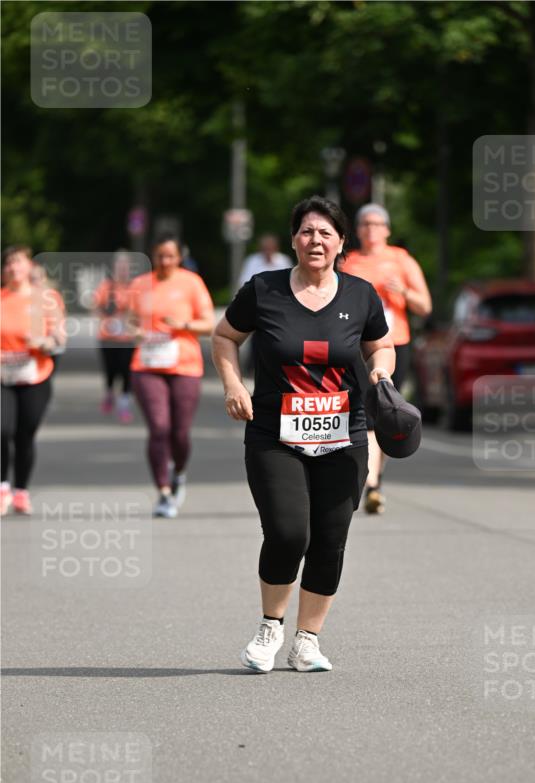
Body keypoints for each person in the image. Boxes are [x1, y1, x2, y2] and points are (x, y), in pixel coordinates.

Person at [212, 195, 395, 674]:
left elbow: (383, 346)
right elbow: (225, 336)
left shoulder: (360, 294)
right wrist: (233, 384)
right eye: (307, 231)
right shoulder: (264, 289)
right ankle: (270, 627)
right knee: (289, 532)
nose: (316, 240)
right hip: (275, 432)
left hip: (345, 432)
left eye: (325, 233)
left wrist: (380, 375)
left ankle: (307, 640)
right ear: (294, 239)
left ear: (340, 243)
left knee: (330, 539)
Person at [340, 203, 431, 514]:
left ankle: (374, 478)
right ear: (358, 230)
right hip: (358, 347)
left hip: (394, 344)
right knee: (365, 416)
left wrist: (403, 291)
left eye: (377, 224)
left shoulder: (401, 260)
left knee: (386, 413)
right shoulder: (348, 262)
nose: (370, 229)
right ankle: (373, 484)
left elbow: (425, 306)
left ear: (387, 229)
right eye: (365, 224)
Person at [127, 235, 214, 518]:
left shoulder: (191, 283)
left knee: (179, 432)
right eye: (160, 255)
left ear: (179, 257)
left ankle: (179, 471)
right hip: (147, 365)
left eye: (170, 256)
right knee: (159, 427)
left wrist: (183, 325)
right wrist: (135, 331)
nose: (164, 261)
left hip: (184, 366)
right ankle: (163, 492)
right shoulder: (140, 285)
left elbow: (209, 324)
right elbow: (128, 320)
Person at [1, 245, 66, 516]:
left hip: (35, 375)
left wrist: (42, 343)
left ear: (29, 266)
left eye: (18, 262)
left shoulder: (47, 299)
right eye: (8, 264)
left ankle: (21, 492)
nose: (13, 268)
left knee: (24, 434)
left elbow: (60, 338)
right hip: (3, 377)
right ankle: (3, 487)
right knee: (2, 430)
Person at [93, 250, 135, 422]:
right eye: (120, 265)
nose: (123, 269)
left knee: (126, 372)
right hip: (107, 338)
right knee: (110, 371)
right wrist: (106, 321)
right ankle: (109, 393)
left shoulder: (135, 286)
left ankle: (124, 405)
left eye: (126, 266)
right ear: (114, 267)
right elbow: (95, 307)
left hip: (127, 339)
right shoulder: (106, 286)